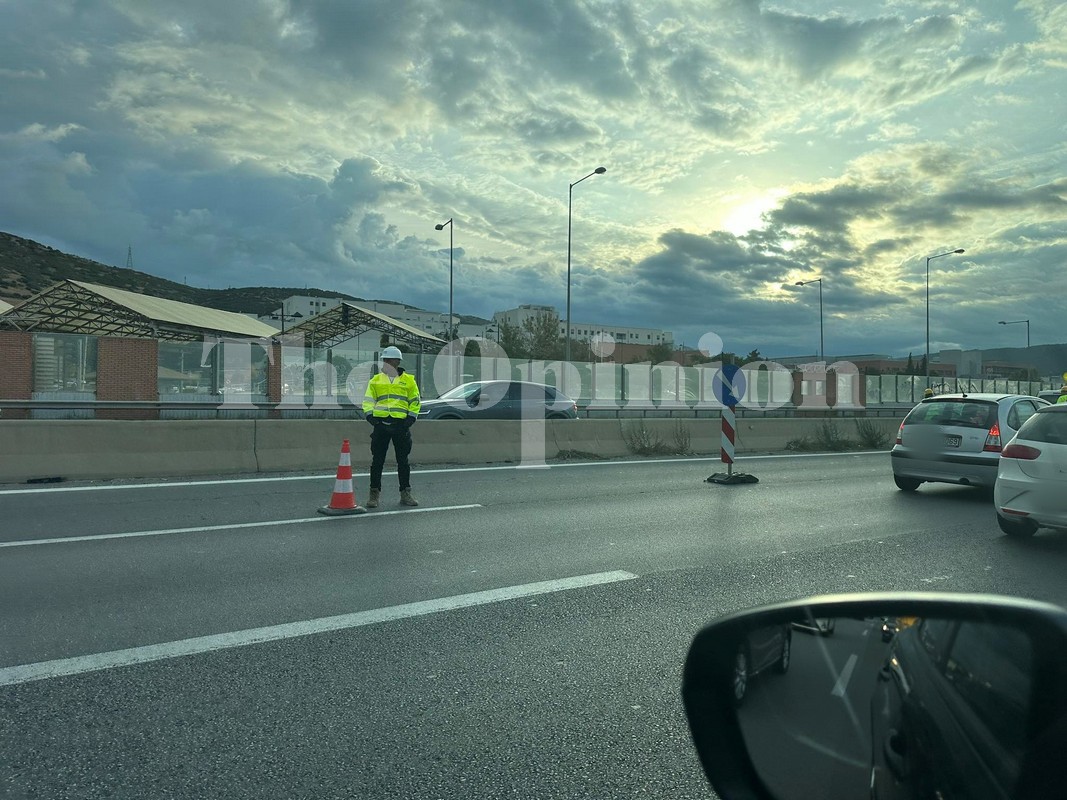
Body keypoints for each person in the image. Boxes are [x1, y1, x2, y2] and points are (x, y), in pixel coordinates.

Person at [362, 345, 421, 508]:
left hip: (400, 426)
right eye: (385, 360)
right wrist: (370, 417)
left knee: (403, 461)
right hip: (381, 425)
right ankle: (374, 495)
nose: (387, 363)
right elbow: (368, 400)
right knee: (377, 461)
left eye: (390, 360)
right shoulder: (376, 380)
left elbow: (415, 401)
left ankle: (405, 493)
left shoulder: (409, 380)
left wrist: (410, 418)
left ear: (397, 362)